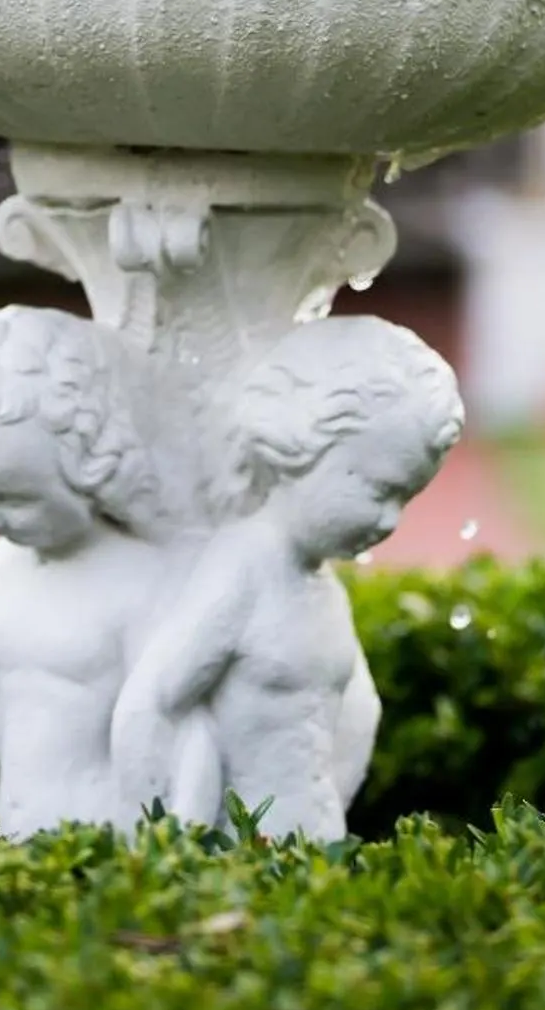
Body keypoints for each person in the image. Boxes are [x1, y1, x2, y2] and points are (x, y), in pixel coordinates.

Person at [109, 314, 463, 839]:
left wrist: (329, 805)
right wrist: (171, 835)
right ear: (299, 448)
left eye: (405, 499)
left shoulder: (321, 585)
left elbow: (356, 715)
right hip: (241, 849)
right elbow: (156, 703)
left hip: (315, 837)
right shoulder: (242, 567)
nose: (391, 521)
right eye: (378, 490)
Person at [0, 304, 186, 835]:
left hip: (107, 837)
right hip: (20, 821)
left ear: (96, 468)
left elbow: (168, 730)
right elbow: (2, 705)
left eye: (16, 499)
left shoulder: (140, 584)